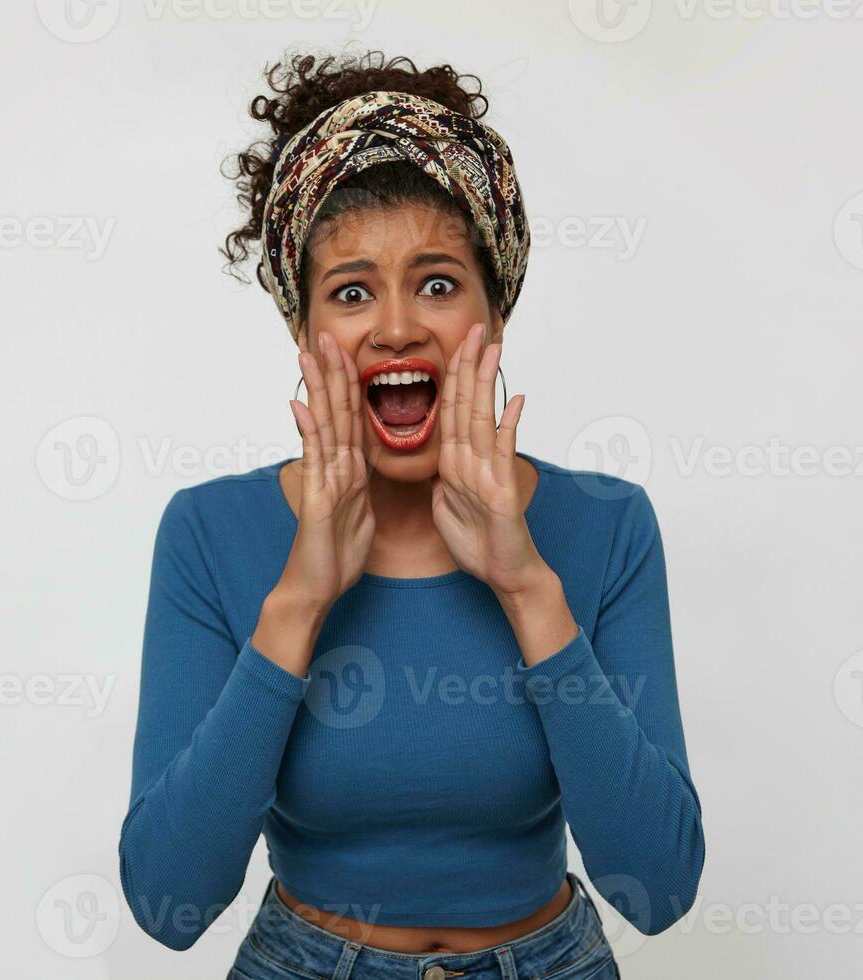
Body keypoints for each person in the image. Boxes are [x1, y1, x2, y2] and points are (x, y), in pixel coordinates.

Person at [119, 50, 704, 979]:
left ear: (495, 312)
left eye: (438, 282)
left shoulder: (607, 525)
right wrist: (298, 604)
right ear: (303, 330)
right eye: (351, 292)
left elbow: (657, 888)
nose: (395, 328)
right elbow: (168, 900)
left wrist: (528, 586)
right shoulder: (207, 533)